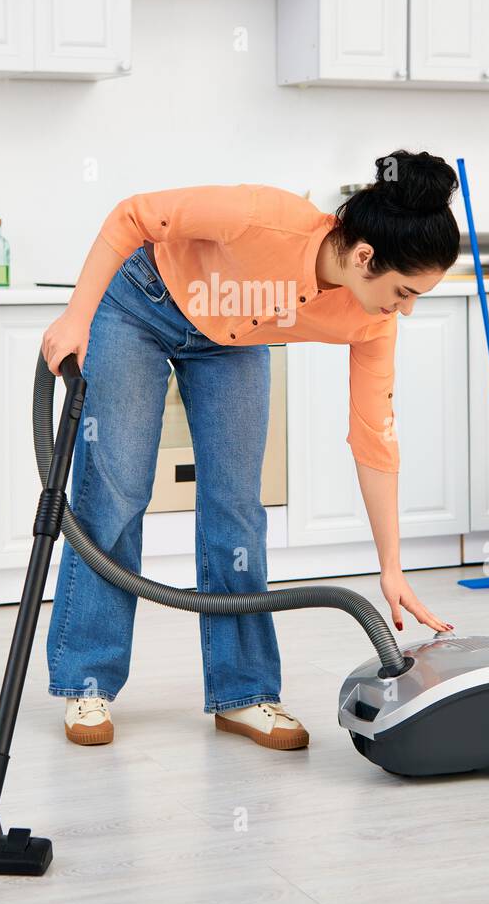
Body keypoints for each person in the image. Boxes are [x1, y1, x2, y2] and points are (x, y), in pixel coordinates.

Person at [41, 149, 460, 751]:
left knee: (236, 504)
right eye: (405, 290)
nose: (408, 308)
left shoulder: (371, 320)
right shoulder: (264, 218)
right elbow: (133, 215)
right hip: (142, 302)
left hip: (231, 337)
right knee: (117, 489)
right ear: (365, 257)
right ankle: (88, 677)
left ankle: (243, 693)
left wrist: (391, 565)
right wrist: (78, 317)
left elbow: (375, 435)